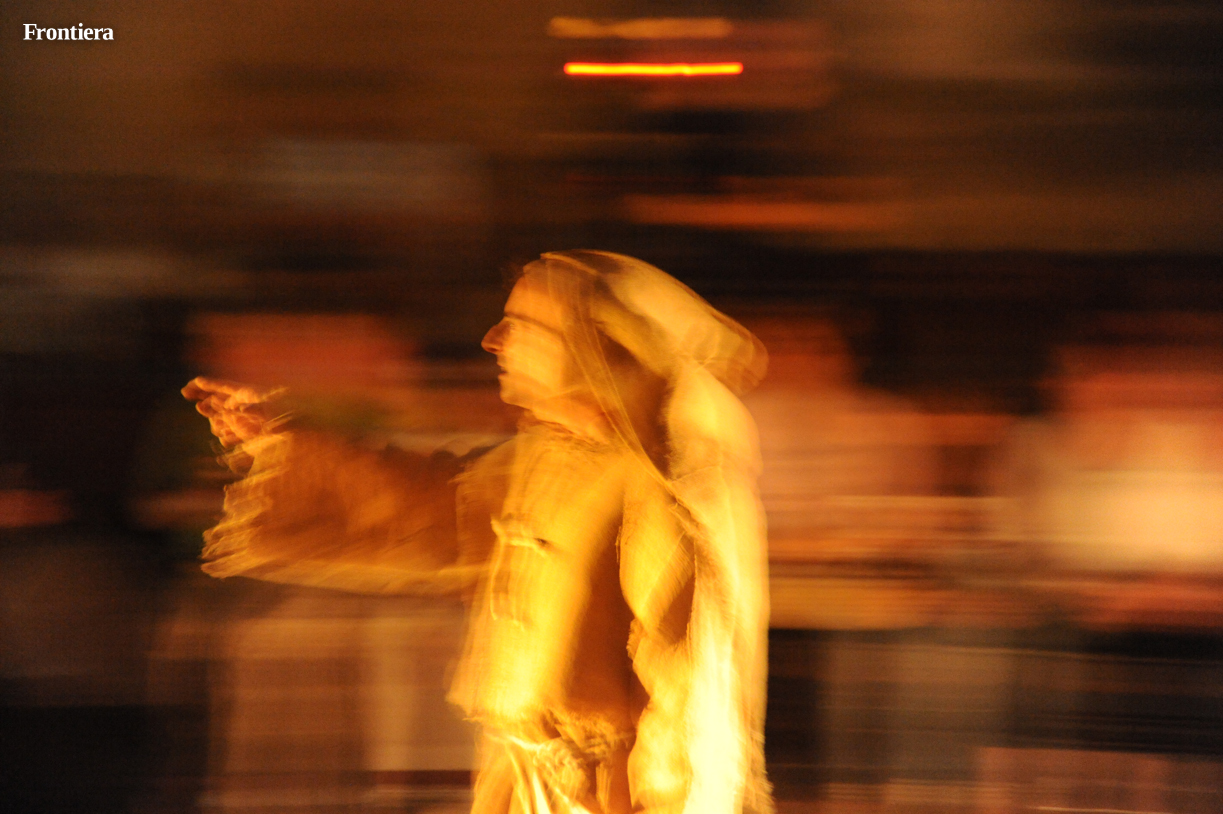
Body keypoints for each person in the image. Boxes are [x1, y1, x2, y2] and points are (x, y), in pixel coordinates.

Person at [185, 250, 773, 814]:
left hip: (605, 796)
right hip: (536, 781)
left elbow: (690, 674)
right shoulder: (556, 458)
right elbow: (439, 504)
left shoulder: (664, 479)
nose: (493, 340)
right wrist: (283, 441)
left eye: (523, 325)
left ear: (591, 344)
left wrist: (669, 800)